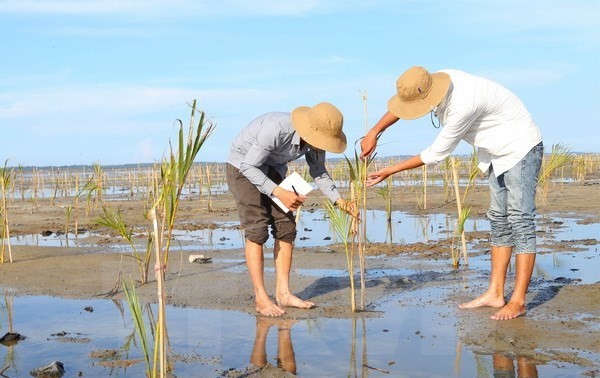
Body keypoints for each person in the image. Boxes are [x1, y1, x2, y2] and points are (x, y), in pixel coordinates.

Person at [361, 66, 543, 320]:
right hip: (495, 152)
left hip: (520, 148)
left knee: (520, 220)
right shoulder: (431, 80)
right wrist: (374, 132)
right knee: (499, 221)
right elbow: (402, 104)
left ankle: (519, 301)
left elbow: (434, 154)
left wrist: (388, 171)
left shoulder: (463, 104)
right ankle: (495, 293)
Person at [227, 102, 355, 317]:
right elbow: (250, 167)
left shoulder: (316, 142)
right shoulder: (276, 129)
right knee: (257, 230)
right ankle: (260, 297)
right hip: (242, 167)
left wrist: (340, 201)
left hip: (273, 169)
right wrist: (279, 192)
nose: (321, 145)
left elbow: (319, 172)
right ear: (310, 129)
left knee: (286, 227)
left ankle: (283, 293)